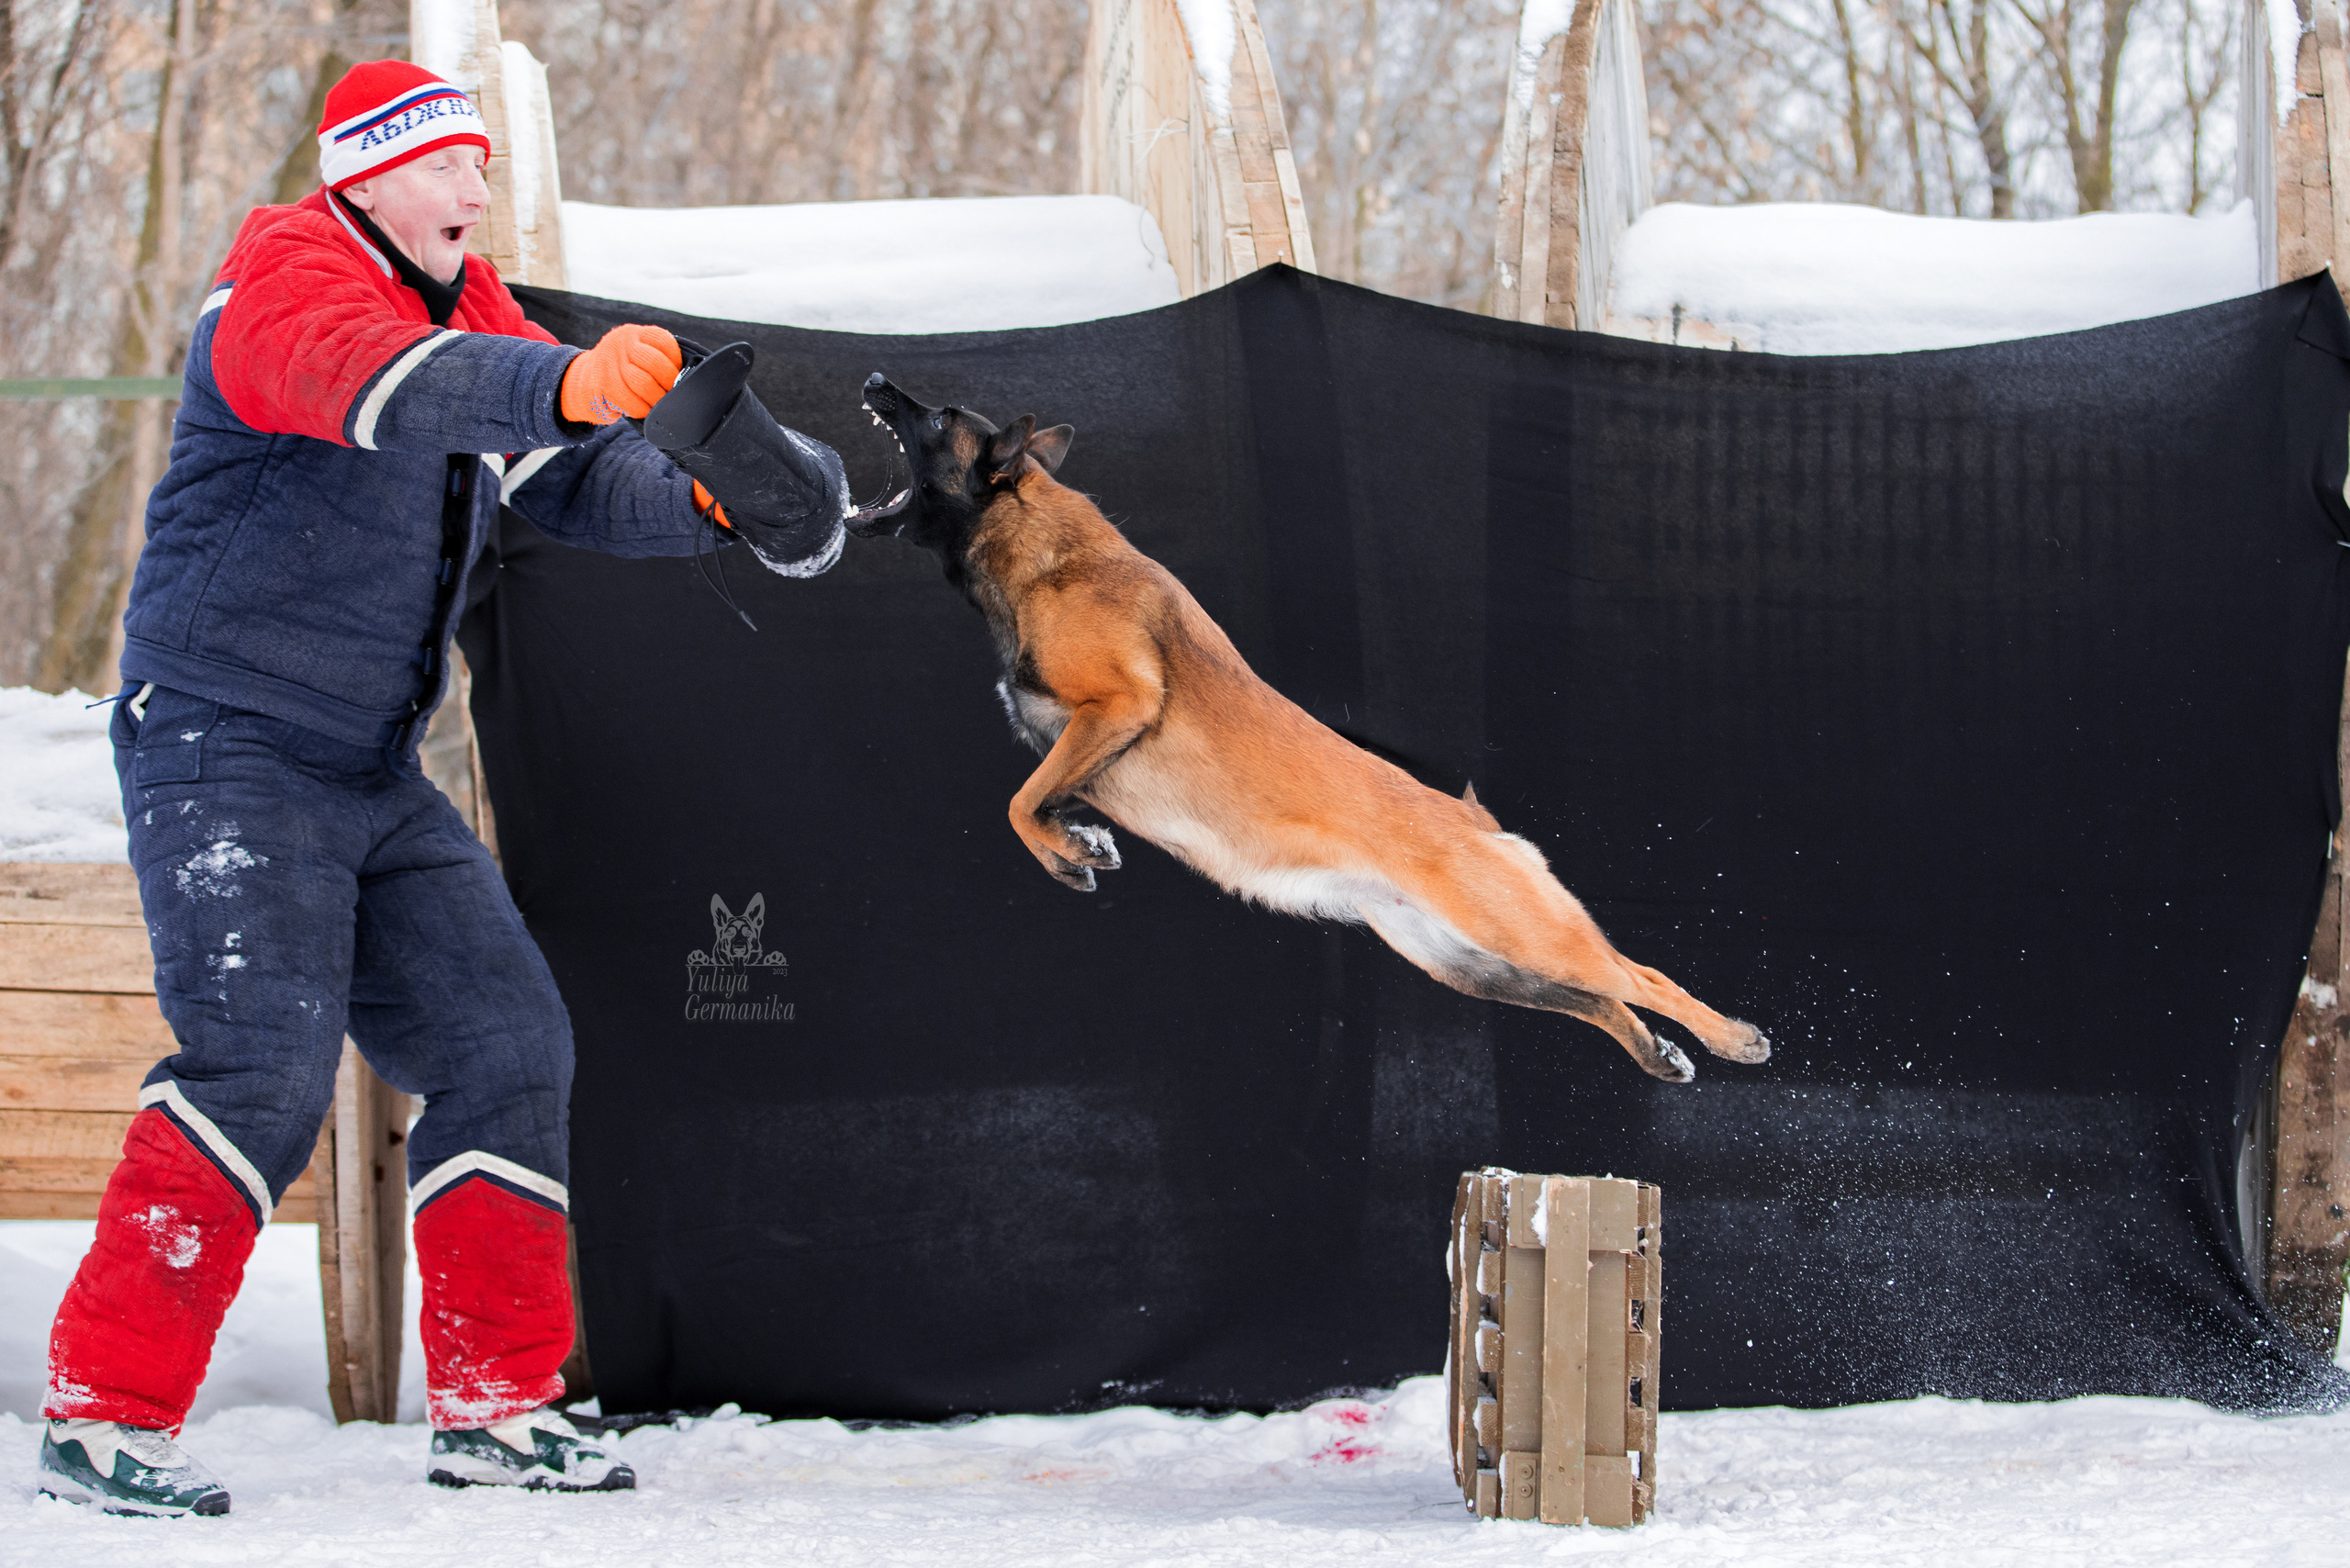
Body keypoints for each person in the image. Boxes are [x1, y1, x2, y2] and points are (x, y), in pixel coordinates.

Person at [35, 60, 840, 1517]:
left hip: (366, 764)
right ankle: (103, 1412)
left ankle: (495, 1406)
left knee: (505, 1042)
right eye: (449, 164)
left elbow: (579, 483)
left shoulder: (470, 316)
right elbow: (366, 385)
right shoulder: (279, 278)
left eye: (482, 163)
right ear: (369, 175)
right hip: (226, 740)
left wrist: (731, 501)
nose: (478, 188)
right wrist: (565, 379)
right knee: (260, 1067)